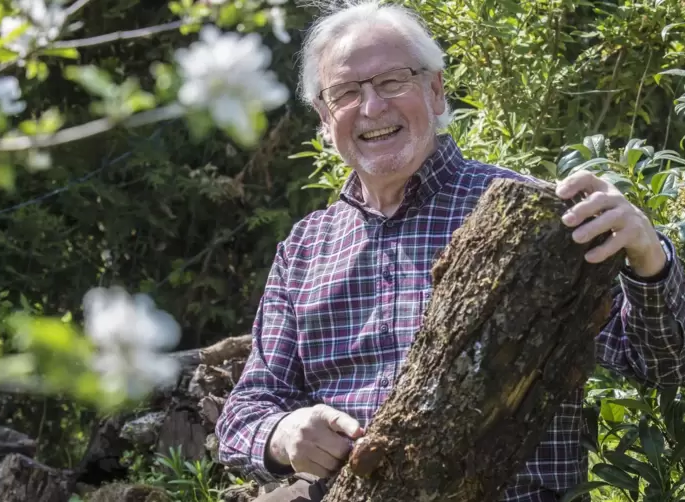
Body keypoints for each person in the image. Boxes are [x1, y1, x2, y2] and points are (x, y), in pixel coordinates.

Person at [214, 1, 685, 500]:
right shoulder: (305, 250)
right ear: (325, 120)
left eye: (392, 81)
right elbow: (247, 408)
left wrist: (650, 260)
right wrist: (284, 435)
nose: (372, 107)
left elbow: (663, 365)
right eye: (347, 92)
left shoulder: (533, 216)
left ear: (436, 91)